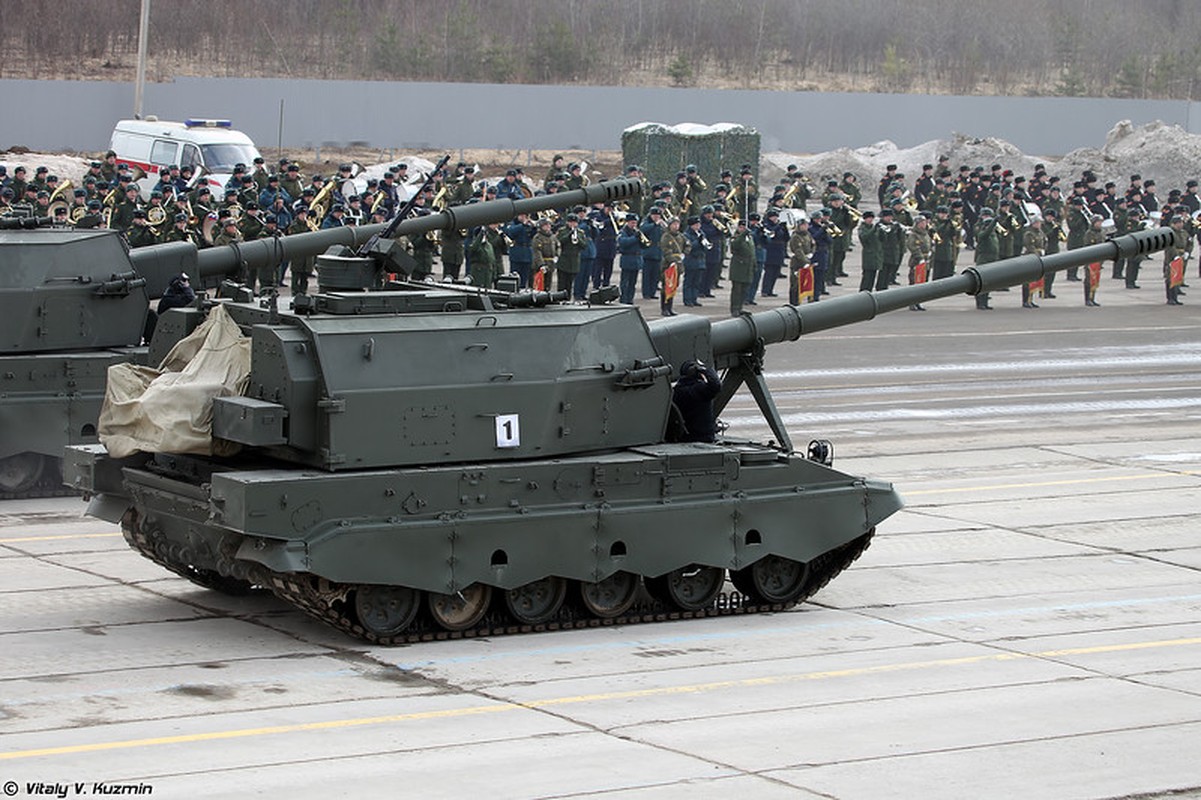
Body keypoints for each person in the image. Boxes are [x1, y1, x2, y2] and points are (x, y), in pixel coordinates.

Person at [672, 360, 722, 443]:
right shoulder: (699, 390)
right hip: (703, 437)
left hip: (685, 437)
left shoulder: (677, 391)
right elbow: (716, 385)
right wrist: (707, 370)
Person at [727, 218, 755, 315]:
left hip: (748, 266)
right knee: (737, 290)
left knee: (744, 289)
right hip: (739, 266)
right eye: (741, 227)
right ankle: (735, 308)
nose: (743, 229)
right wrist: (743, 234)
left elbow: (752, 252)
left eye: (744, 227)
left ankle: (740, 307)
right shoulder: (736, 237)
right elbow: (735, 246)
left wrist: (754, 265)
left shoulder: (749, 237)